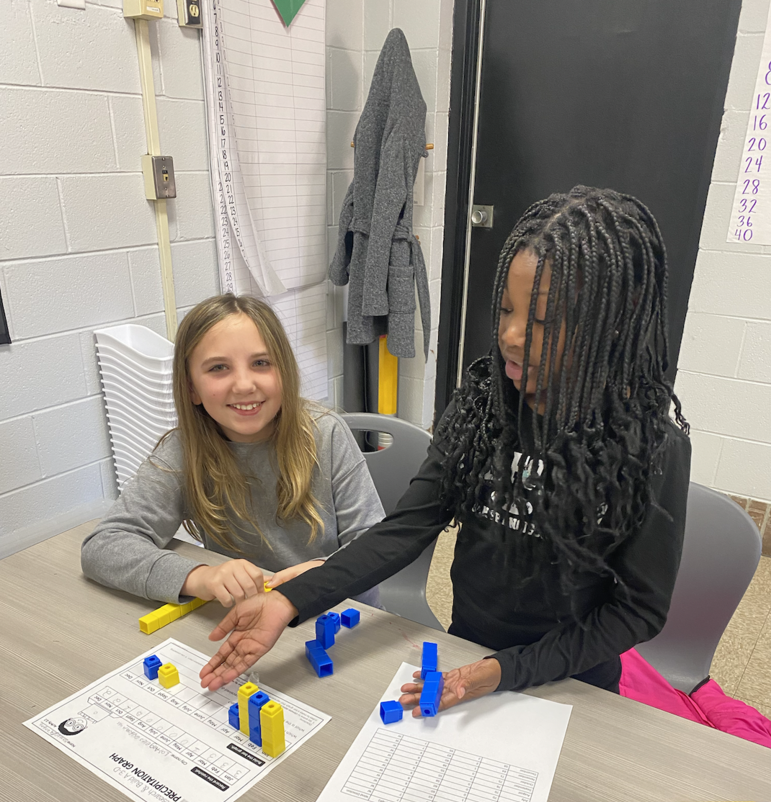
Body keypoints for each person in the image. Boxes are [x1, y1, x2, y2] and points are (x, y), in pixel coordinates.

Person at [198, 186, 692, 718]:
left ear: (611, 324)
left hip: (575, 680)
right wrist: (290, 601)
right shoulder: (486, 408)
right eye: (505, 309)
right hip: (470, 649)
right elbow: (406, 528)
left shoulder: (653, 448)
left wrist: (506, 672)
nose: (510, 335)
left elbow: (638, 610)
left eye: (543, 322)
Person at [81, 294, 385, 608]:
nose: (243, 385)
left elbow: (375, 546)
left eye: (261, 363)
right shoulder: (185, 451)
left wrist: (324, 574)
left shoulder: (326, 434)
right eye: (218, 368)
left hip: (334, 609)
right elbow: (104, 545)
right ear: (191, 389)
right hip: (247, 615)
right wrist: (201, 577)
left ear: (285, 372)